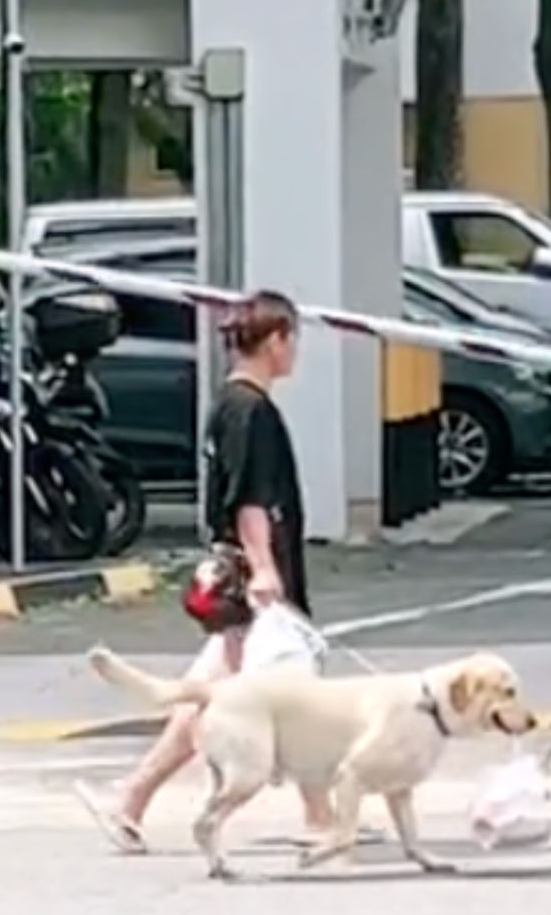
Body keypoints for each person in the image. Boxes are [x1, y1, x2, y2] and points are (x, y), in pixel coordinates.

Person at [74, 290, 347, 855]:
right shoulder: (251, 412)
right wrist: (265, 570)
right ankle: (320, 819)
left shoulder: (230, 403)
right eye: (292, 339)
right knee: (290, 699)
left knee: (213, 698)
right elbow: (249, 498)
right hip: (254, 580)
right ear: (275, 340)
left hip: (242, 577)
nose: (294, 351)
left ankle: (132, 800)